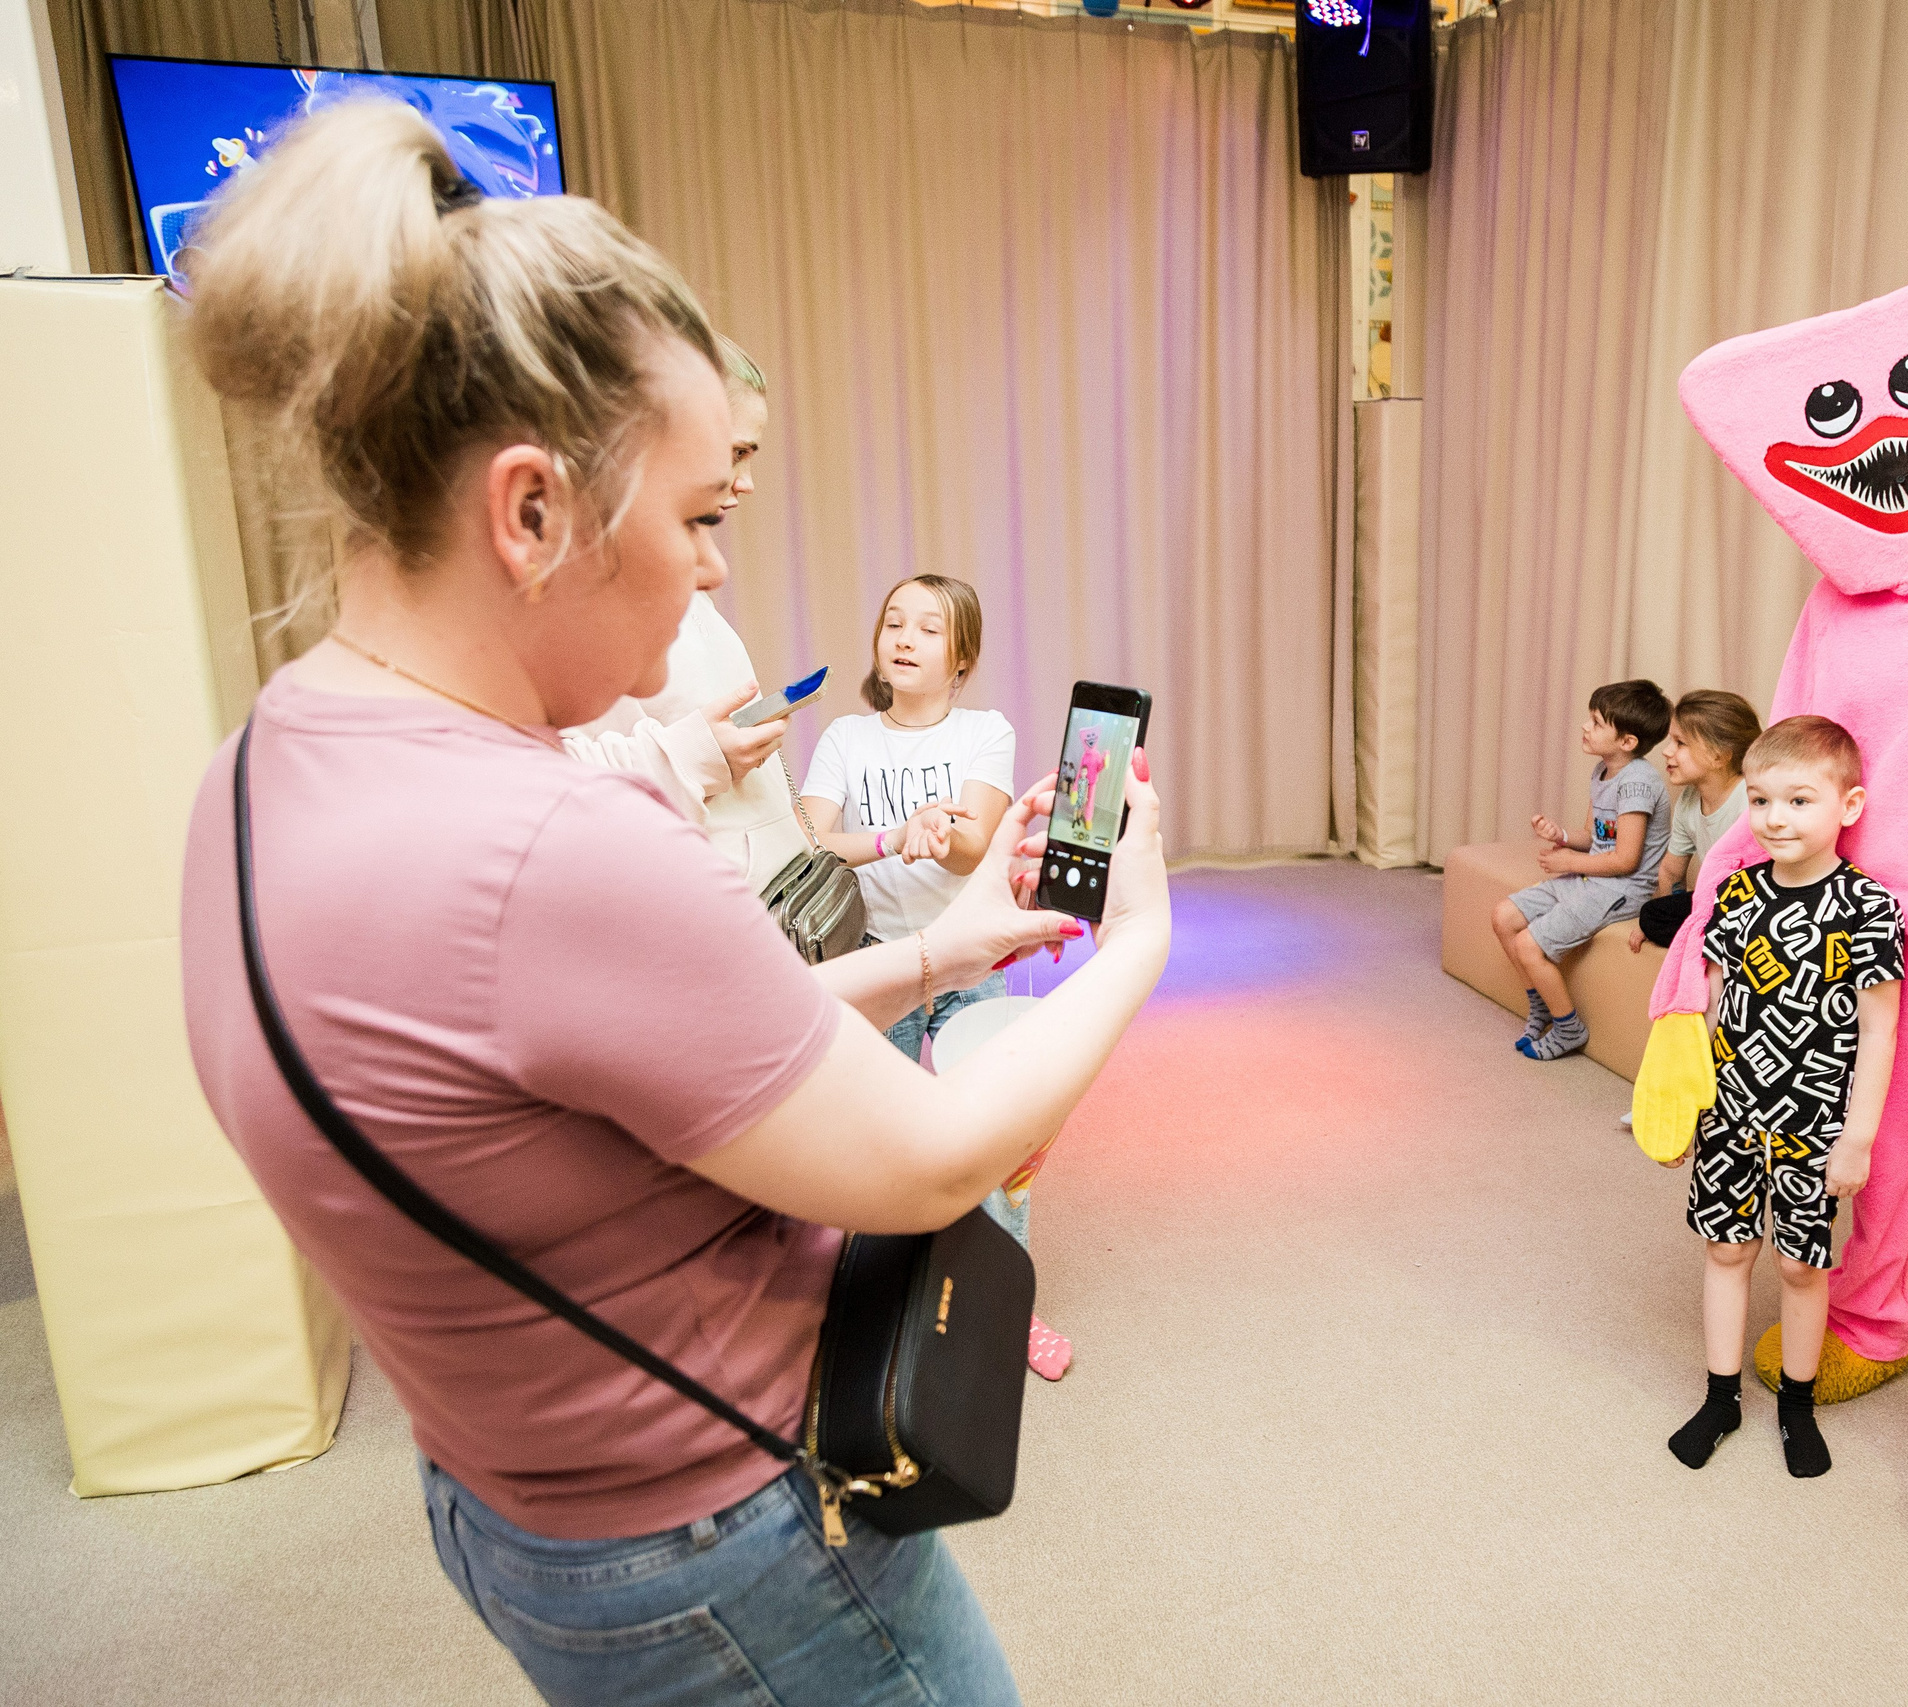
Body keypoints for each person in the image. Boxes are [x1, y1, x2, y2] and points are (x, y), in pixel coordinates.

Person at [175, 102, 1169, 1707]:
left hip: (514, 1490)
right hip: (727, 1535)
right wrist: (1135, 943)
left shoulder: (265, 760)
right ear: (529, 510)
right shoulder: (544, 843)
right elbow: (927, 1161)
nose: (718, 572)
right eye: (703, 513)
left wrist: (935, 944)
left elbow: (611, 1069)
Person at [795, 576, 1076, 1379]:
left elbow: (974, 840)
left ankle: (1005, 1304)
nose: (905, 637)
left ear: (963, 657)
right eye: (893, 622)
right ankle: (878, 1310)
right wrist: (892, 836)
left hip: (970, 954)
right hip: (880, 958)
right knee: (876, 1143)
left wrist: (939, 834)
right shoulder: (847, 736)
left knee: (993, 1138)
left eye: (927, 627)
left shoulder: (985, 729)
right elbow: (812, 842)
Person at [1666, 716, 1902, 1481]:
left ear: (1849, 805)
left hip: (1815, 1125)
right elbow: (1705, 1006)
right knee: (1727, 1249)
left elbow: (1880, 1030)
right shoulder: (1735, 895)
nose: (1775, 818)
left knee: (1803, 1267)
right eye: (1761, 800)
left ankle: (1796, 1405)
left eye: (1799, 800)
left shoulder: (1868, 907)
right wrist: (1681, 1103)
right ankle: (1721, 1396)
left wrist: (1858, 1135)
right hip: (1732, 1112)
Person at [559, 337, 807, 894]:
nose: (744, 482)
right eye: (737, 453)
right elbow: (552, 783)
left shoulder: (688, 580)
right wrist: (698, 755)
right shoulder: (579, 603)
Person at [1489, 679, 1672, 1062]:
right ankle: (1540, 1004)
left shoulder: (1637, 783)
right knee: (1503, 917)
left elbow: (1625, 860)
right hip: (1593, 877)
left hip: (1621, 888)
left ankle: (1569, 1027)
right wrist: (1562, 835)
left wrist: (1568, 862)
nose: (1585, 727)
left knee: (1529, 943)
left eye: (1596, 722)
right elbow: (1596, 838)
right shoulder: (1603, 772)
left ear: (1628, 741)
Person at [1629, 689, 1761, 951]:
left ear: (1719, 756)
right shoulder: (1688, 800)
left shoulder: (1749, 800)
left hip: (1753, 904)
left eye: (1680, 743)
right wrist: (1668, 915)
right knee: (1652, 914)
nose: (1667, 752)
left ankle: (1709, 942)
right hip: (1714, 902)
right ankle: (1701, 940)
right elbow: (1671, 872)